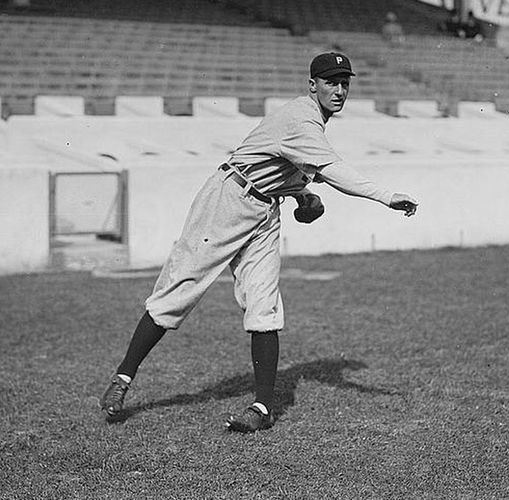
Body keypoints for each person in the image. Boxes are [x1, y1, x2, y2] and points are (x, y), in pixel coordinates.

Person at [100, 52, 419, 433]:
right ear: (311, 85)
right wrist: (385, 196)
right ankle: (122, 380)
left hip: (265, 210)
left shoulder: (313, 123)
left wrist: (302, 197)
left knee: (265, 307)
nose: (339, 89)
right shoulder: (300, 119)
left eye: (344, 82)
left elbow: (288, 166)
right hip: (227, 199)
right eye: (330, 81)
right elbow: (332, 170)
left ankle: (262, 408)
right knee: (178, 292)